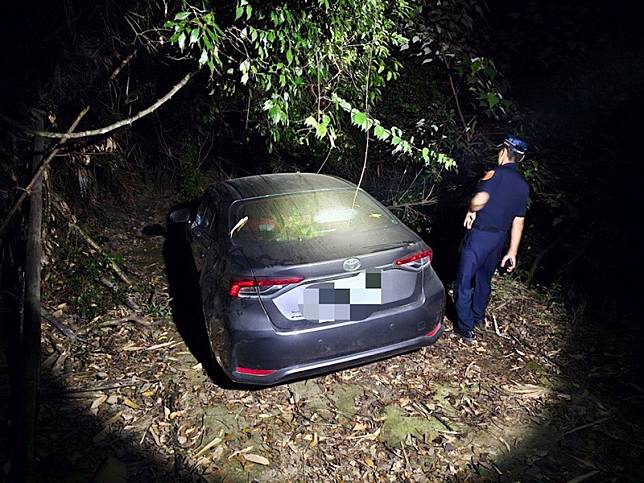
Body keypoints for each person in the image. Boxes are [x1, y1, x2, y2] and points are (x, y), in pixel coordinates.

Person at [453, 135, 530, 342]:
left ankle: (464, 328)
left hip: (479, 235)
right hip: (499, 239)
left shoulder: (494, 174)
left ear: (504, 152)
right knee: (484, 279)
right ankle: (478, 317)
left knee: (463, 280)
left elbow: (480, 199)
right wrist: (512, 252)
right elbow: (518, 221)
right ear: (520, 159)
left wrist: (471, 208)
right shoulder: (523, 186)